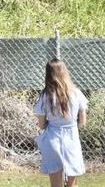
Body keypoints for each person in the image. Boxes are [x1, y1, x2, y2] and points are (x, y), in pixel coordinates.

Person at [34, 58, 88, 187]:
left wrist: (51, 123)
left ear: (48, 74)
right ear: (65, 72)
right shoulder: (77, 93)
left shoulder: (45, 95)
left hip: (52, 139)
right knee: (72, 184)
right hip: (72, 140)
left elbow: (41, 125)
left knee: (56, 185)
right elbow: (83, 121)